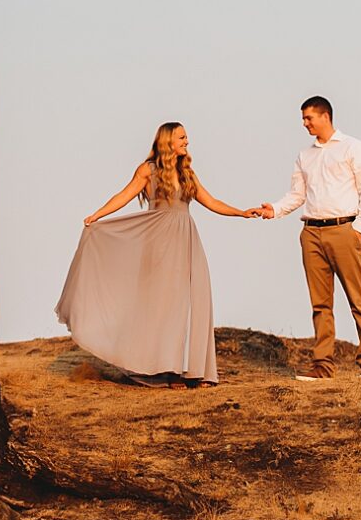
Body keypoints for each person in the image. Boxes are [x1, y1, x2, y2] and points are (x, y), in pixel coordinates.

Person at [56, 118, 262, 386]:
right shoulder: (148, 171)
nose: (187, 142)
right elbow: (124, 195)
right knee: (161, 305)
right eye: (182, 138)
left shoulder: (188, 173)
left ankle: (188, 369)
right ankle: (163, 369)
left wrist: (242, 213)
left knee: (187, 303)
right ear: (168, 142)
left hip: (186, 241)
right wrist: (97, 215)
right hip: (158, 242)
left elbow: (211, 201)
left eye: (186, 138)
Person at [260, 96, 361, 381]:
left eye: (308, 118)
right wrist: (273, 209)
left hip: (344, 229)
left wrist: (358, 228)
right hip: (311, 232)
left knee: (358, 297)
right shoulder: (305, 155)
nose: (304, 124)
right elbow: (297, 195)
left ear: (325, 116)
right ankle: (322, 365)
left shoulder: (353, 147)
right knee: (320, 304)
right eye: (303, 119)